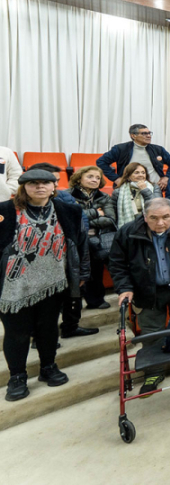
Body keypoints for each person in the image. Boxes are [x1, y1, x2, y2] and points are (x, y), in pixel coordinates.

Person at [1, 169, 89, 401]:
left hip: (54, 282)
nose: (40, 187)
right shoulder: (5, 211)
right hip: (15, 285)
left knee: (48, 328)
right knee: (17, 333)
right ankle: (17, 376)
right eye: (33, 183)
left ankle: (48, 367)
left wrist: (80, 273)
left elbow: (80, 244)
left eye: (45, 183)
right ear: (24, 187)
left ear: (54, 186)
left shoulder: (70, 210)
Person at [110, 198, 170, 394]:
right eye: (154, 218)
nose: (160, 223)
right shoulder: (128, 232)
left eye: (165, 217)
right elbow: (117, 263)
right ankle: (153, 371)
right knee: (151, 332)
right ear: (145, 217)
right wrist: (125, 288)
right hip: (147, 291)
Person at [68, 166, 116, 311]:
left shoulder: (104, 197)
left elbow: (110, 220)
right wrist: (96, 212)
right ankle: (72, 305)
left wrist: (84, 217)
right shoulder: (68, 195)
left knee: (97, 268)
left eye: (98, 177)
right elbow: (71, 218)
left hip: (97, 238)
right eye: (90, 176)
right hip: (75, 239)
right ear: (79, 178)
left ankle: (96, 300)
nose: (95, 180)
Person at [97, 124, 170, 191]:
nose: (149, 136)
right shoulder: (121, 149)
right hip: (128, 188)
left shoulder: (158, 149)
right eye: (144, 133)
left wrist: (166, 177)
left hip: (154, 188)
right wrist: (116, 178)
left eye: (149, 133)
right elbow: (101, 162)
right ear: (133, 136)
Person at [110, 163, 162, 228]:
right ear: (128, 176)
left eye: (143, 173)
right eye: (136, 173)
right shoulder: (118, 191)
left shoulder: (154, 187)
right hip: (128, 226)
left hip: (149, 225)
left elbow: (157, 206)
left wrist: (145, 190)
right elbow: (114, 213)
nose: (141, 175)